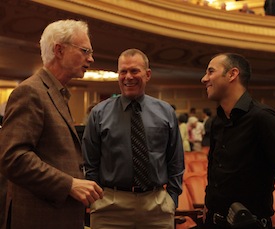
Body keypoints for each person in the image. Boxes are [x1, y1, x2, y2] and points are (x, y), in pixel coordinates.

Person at [0, 19, 103, 229]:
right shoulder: (30, 92)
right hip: (38, 217)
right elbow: (13, 157)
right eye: (85, 51)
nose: (91, 59)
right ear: (59, 50)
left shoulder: (57, 93)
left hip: (57, 215)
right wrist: (69, 184)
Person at [82, 48, 185, 228]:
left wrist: (172, 198)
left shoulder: (165, 111)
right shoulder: (99, 113)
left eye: (134, 71)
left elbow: (175, 159)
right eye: (123, 71)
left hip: (156, 206)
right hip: (110, 207)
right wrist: (96, 200)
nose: (128, 77)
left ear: (147, 74)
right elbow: (90, 161)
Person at [201, 53, 275, 229]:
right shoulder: (218, 121)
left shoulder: (263, 118)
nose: (204, 79)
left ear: (232, 74)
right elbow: (213, 169)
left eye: (210, 72)